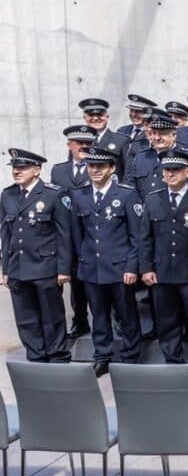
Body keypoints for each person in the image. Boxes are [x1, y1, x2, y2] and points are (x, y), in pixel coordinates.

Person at [138, 148, 188, 382]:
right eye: (167, 170)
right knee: (167, 320)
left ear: (187, 172)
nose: (170, 174)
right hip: (161, 272)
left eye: (175, 170)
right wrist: (146, 268)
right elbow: (145, 238)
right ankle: (173, 361)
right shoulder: (153, 199)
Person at [69, 147, 144, 376]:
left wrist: (132, 266)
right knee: (99, 316)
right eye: (91, 166)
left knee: (127, 315)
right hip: (92, 268)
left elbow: (136, 236)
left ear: (111, 169)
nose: (95, 171)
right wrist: (81, 262)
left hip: (120, 268)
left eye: (100, 167)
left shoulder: (126, 194)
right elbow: (77, 234)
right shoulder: (79, 195)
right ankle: (102, 355)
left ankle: (131, 357)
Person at [1, 149, 72, 363]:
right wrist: (5, 269)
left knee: (52, 315)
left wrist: (64, 268)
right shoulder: (8, 194)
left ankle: (57, 355)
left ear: (37, 170)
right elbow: (6, 234)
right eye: (15, 168)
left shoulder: (53, 194)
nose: (17, 171)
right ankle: (36, 355)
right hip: (18, 267)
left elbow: (64, 235)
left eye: (22, 168)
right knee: (25, 317)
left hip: (45, 266)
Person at [50, 124, 96, 341]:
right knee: (75, 280)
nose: (84, 147)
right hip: (66, 231)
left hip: (90, 231)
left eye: (88, 143)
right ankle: (80, 320)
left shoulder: (98, 167)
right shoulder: (59, 171)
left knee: (93, 281)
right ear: (70, 145)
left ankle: (103, 322)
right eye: (79, 143)